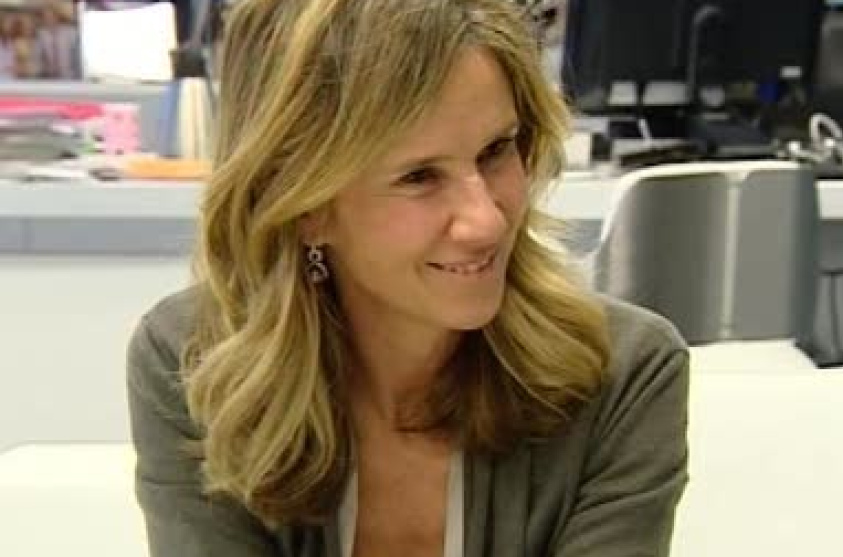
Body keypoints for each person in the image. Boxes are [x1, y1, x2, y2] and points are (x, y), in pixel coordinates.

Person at [126, 1, 690, 556]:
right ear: (304, 208)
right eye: (420, 177)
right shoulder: (193, 365)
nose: (487, 222)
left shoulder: (622, 374)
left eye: (496, 151)